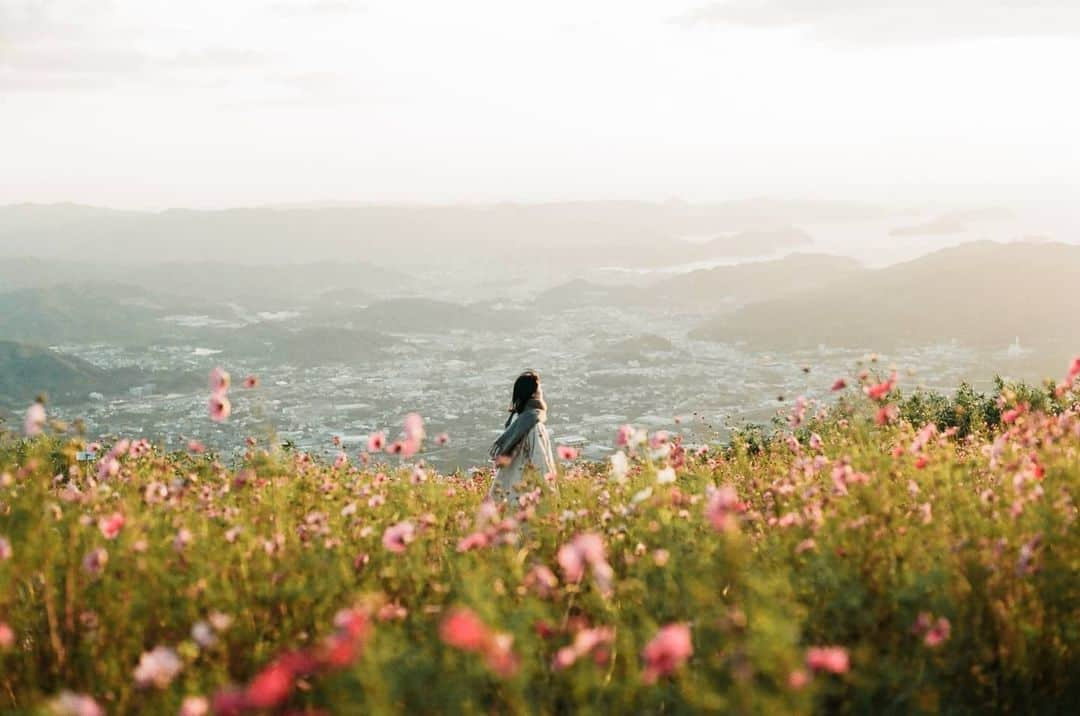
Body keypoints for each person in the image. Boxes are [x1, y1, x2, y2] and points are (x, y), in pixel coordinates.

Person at [488, 370, 556, 501]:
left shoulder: (516, 422)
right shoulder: (534, 424)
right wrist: (549, 493)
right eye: (540, 389)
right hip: (527, 495)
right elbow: (540, 460)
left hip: (510, 492)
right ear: (534, 394)